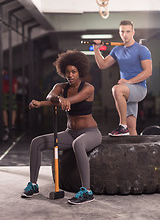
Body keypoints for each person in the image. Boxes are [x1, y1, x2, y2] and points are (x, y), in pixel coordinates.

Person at [21, 50, 102, 205]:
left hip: (90, 132)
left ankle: (87, 191)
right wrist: (53, 99)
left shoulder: (88, 88)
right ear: (63, 72)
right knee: (36, 142)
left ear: (80, 71)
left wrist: (64, 100)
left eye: (74, 71)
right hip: (70, 133)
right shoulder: (60, 87)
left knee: (77, 144)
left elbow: (74, 99)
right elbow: (50, 97)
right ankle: (33, 185)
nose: (70, 75)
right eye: (67, 72)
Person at [93, 20, 152, 136]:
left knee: (117, 89)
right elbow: (103, 64)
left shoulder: (142, 50)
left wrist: (128, 81)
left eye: (128, 31)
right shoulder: (117, 50)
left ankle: (122, 126)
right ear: (119, 33)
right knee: (132, 128)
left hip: (139, 89)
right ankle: (135, 151)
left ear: (133, 32)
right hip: (127, 91)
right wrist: (96, 49)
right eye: (122, 32)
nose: (125, 34)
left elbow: (148, 72)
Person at [2, 67, 18, 140]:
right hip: (12, 93)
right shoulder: (13, 77)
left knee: (4, 109)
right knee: (13, 109)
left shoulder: (3, 76)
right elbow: (15, 87)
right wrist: (15, 93)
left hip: (5, 93)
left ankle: (6, 125)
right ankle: (12, 124)